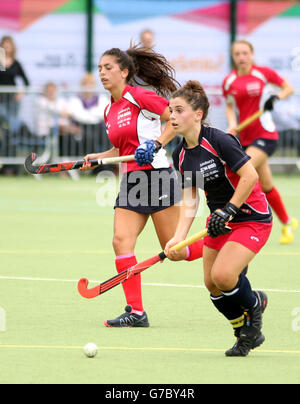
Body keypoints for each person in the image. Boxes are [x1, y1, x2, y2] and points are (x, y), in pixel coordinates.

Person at [81, 44, 204, 328]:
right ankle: (136, 312)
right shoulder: (109, 109)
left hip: (158, 176)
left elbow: (175, 120)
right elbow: (119, 148)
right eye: (100, 68)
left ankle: (219, 246)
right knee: (120, 241)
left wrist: (156, 144)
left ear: (124, 72)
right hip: (132, 181)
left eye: (108, 67)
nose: (102, 73)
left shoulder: (139, 96)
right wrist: (98, 158)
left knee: (175, 250)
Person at [164, 80, 272, 357]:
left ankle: (254, 306)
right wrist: (178, 237)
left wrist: (229, 210)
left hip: (251, 216)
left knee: (224, 275)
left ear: (197, 115)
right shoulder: (180, 155)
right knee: (212, 285)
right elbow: (190, 199)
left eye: (178, 110)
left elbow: (250, 177)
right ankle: (243, 333)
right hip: (220, 221)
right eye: (170, 110)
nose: (172, 116)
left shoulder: (220, 140)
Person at [222, 39, 297, 245]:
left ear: (252, 54)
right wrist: (232, 124)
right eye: (237, 54)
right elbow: (229, 106)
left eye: (245, 53)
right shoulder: (229, 81)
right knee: (266, 185)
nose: (241, 57)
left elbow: (288, 88)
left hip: (265, 135)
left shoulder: (263, 73)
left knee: (240, 172)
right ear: (233, 57)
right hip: (245, 138)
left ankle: (232, 218)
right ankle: (288, 223)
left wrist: (277, 98)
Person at [67, 73, 109, 155]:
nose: (88, 87)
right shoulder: (75, 100)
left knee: (107, 136)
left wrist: (87, 113)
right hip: (82, 128)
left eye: (91, 84)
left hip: (99, 128)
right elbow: (79, 116)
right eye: (86, 84)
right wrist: (93, 113)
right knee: (88, 137)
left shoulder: (102, 99)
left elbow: (102, 113)